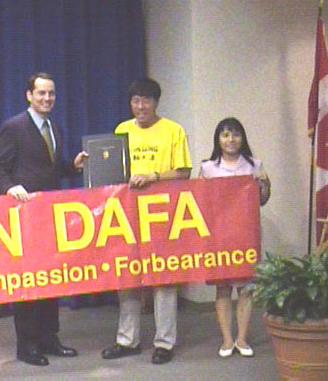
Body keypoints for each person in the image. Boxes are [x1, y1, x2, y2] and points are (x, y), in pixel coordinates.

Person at [0, 72, 87, 367]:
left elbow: (49, 170)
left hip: (50, 216)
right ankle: (27, 345)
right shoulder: (14, 127)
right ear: (29, 95)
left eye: (51, 93)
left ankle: (49, 338)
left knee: (50, 278)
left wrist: (72, 166)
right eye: (41, 93)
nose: (47, 98)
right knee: (29, 281)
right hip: (24, 217)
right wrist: (10, 188)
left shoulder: (54, 127)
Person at [101, 77, 192, 365]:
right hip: (127, 215)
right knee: (128, 277)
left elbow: (184, 172)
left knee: (163, 278)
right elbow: (112, 172)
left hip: (162, 215)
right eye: (135, 101)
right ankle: (127, 340)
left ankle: (164, 342)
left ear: (156, 102)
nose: (140, 106)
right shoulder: (122, 130)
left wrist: (153, 176)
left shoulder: (173, 131)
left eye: (146, 101)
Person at [199, 117, 270, 358]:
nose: (231, 140)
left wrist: (265, 185)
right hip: (219, 236)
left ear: (243, 138)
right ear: (218, 139)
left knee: (246, 289)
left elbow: (261, 200)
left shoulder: (254, 165)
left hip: (245, 235)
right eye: (226, 135)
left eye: (236, 134)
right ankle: (227, 340)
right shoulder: (208, 167)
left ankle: (242, 338)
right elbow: (200, 203)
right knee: (223, 289)